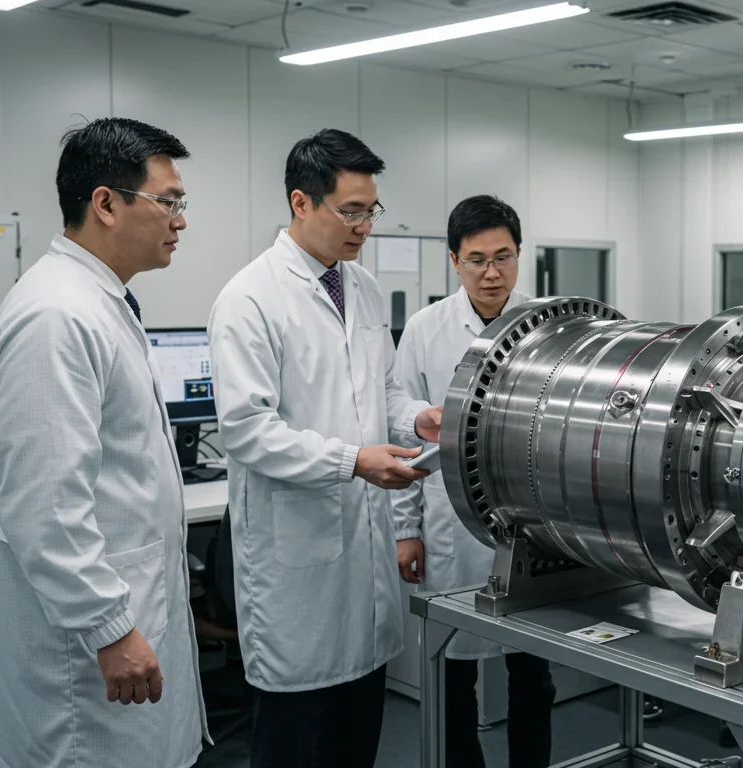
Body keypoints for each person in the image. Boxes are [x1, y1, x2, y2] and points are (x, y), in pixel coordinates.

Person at [0, 117, 206, 768]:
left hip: (117, 634)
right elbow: (46, 505)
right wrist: (109, 627)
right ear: (105, 203)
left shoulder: (100, 301)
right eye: (170, 201)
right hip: (76, 673)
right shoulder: (56, 315)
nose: (181, 220)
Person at [208, 128, 443, 768]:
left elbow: (385, 389)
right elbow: (247, 429)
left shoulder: (361, 288)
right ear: (301, 203)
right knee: (290, 741)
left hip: (362, 558)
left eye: (372, 211)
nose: (365, 227)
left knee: (355, 735)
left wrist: (418, 419)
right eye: (351, 211)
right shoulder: (250, 298)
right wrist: (353, 461)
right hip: (297, 568)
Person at [393, 195, 554, 768]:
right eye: (477, 259)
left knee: (533, 674)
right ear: (455, 262)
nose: (492, 272)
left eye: (504, 257)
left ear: (519, 255)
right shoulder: (426, 328)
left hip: (534, 525)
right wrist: (405, 530)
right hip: (451, 523)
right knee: (451, 675)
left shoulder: (551, 327)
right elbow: (401, 419)